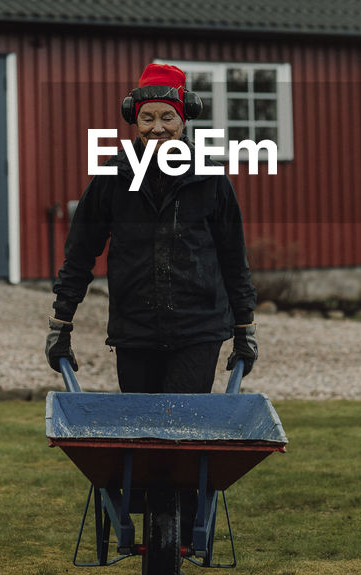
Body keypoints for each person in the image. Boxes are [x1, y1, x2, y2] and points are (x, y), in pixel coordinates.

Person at [45, 63, 258, 393]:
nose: (157, 128)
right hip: (135, 330)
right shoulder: (113, 178)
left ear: (183, 119)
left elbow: (233, 259)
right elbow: (80, 255)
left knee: (179, 427)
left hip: (198, 329)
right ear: (135, 119)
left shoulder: (210, 179)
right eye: (148, 118)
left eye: (167, 117)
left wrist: (245, 328)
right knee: (140, 430)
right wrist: (61, 323)